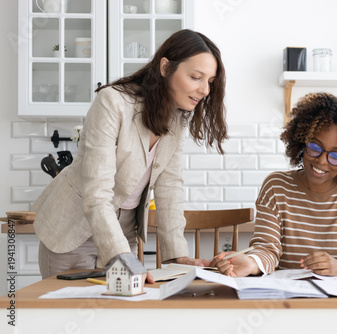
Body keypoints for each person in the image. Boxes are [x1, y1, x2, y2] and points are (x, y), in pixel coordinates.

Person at [33, 29, 227, 281]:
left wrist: (177, 256)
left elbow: (170, 190)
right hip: (73, 230)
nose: (204, 90)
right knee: (68, 314)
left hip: (123, 235)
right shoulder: (112, 102)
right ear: (165, 67)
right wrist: (121, 256)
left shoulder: (176, 120)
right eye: (195, 77)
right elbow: (97, 195)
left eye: (210, 81)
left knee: (119, 316)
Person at [211, 92, 337, 277]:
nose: (322, 161)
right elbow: (266, 249)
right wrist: (252, 263)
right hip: (290, 300)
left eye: (336, 156)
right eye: (315, 147)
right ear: (302, 142)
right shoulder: (276, 187)